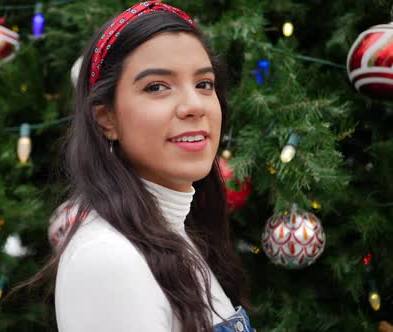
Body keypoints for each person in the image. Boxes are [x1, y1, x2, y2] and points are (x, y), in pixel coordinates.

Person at [13, 2, 255, 332]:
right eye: (157, 87)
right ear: (106, 119)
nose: (193, 106)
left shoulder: (177, 236)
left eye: (204, 84)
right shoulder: (109, 258)